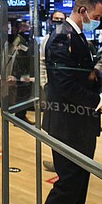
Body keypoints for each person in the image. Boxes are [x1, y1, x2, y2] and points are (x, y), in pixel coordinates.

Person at [42, 0, 102, 204]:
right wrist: (99, 101)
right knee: (68, 185)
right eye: (95, 17)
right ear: (83, 11)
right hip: (68, 123)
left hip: (79, 122)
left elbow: (79, 77)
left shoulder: (77, 36)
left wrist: (99, 92)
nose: (97, 21)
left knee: (78, 185)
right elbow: (64, 85)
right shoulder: (61, 38)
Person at [41, 10, 66, 172]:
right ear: (51, 21)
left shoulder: (70, 38)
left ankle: (66, 163)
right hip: (53, 91)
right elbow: (42, 64)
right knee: (54, 129)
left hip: (68, 91)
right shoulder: (46, 40)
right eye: (56, 19)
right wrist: (45, 84)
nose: (59, 22)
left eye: (61, 19)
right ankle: (58, 163)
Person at [7, 19, 34, 124]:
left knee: (25, 94)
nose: (28, 28)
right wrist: (17, 74)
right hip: (21, 72)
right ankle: (19, 117)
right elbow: (17, 56)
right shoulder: (19, 39)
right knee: (22, 94)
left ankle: (21, 116)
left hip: (25, 70)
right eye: (26, 26)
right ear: (21, 28)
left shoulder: (24, 38)